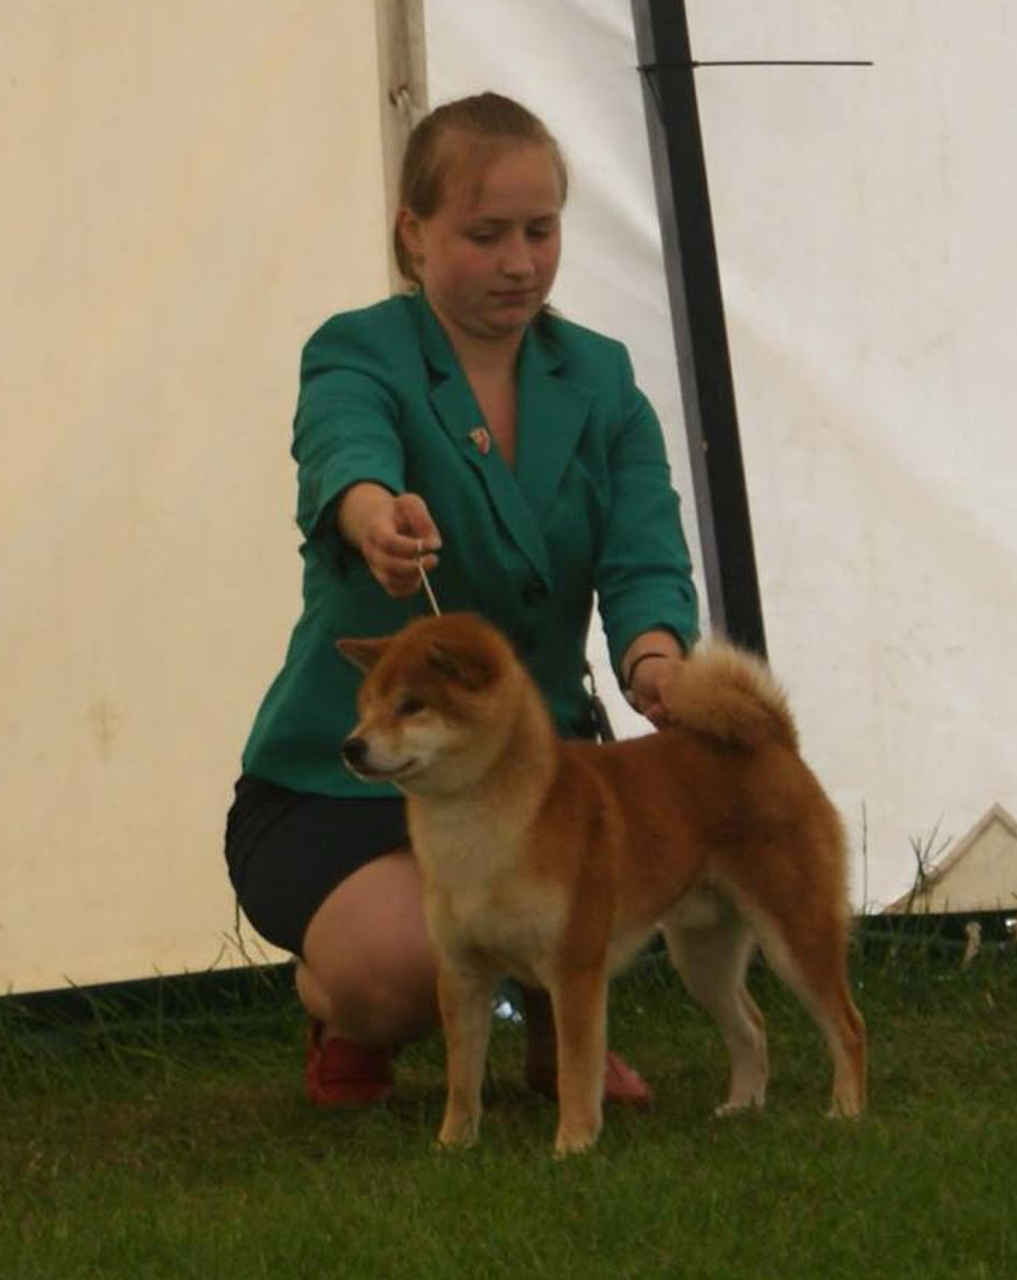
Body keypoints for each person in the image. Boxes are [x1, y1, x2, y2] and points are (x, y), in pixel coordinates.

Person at [225, 91, 699, 1107]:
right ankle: (343, 1005)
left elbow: (644, 547)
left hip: (531, 768)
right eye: (486, 236)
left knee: (616, 879)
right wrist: (373, 517)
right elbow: (343, 449)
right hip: (341, 781)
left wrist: (655, 657)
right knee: (400, 969)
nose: (520, 262)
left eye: (541, 231)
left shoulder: (603, 378)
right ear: (414, 233)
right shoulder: (356, 347)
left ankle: (553, 1028)